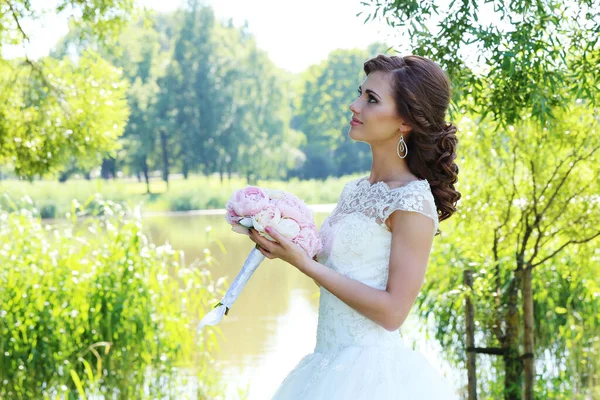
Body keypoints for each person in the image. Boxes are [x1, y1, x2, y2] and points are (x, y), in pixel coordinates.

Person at [248, 54, 461, 399]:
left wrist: (303, 265)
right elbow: (337, 268)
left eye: (371, 99)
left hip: (372, 377)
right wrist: (283, 239)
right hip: (326, 363)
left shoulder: (412, 201)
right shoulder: (356, 190)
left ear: (405, 121)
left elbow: (393, 312)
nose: (354, 105)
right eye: (360, 93)